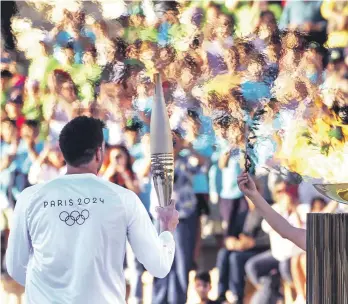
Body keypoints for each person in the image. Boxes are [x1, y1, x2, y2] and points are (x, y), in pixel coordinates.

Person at [5, 116, 179, 304]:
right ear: (99, 153)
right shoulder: (123, 199)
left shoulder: (29, 198)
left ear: (63, 153)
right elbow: (159, 266)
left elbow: (15, 267)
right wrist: (167, 230)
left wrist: (48, 290)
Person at [237, 172, 306, 251]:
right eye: (279, 191)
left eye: (286, 190)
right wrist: (254, 196)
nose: (283, 194)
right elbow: (286, 230)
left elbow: (291, 231)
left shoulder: (303, 208)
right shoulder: (276, 207)